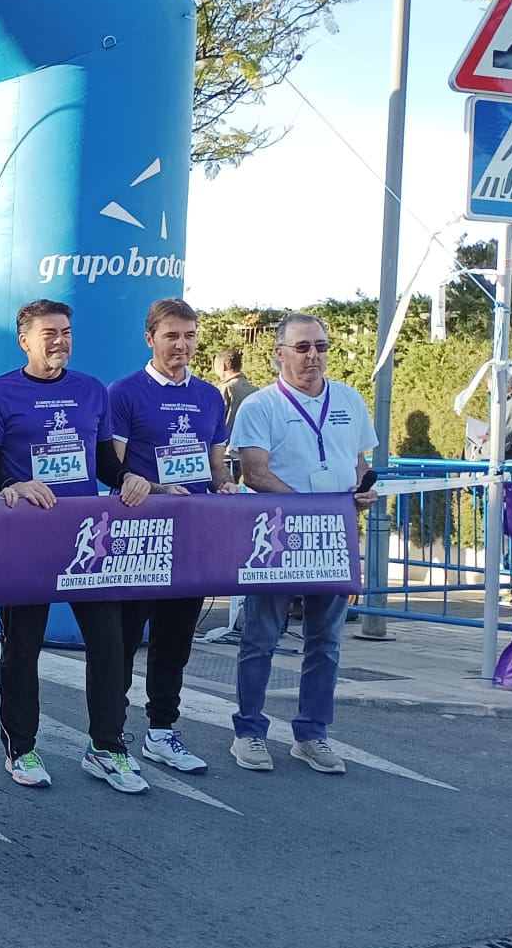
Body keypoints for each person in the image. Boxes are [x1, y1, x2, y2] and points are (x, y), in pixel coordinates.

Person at [0, 299, 148, 794]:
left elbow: (101, 463)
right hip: (26, 537)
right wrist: (13, 484)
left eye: (66, 332)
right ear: (25, 340)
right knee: (22, 647)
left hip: (84, 536)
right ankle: (21, 747)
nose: (59, 341)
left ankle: (107, 747)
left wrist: (129, 478)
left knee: (110, 644)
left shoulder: (92, 390)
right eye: (49, 333)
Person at [229, 312, 380, 774]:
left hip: (332, 539)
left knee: (326, 641)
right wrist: (306, 509)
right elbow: (253, 471)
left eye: (320, 346)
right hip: (277, 536)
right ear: (279, 353)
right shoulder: (260, 406)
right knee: (261, 636)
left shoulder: (350, 401)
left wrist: (360, 492)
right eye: (302, 347)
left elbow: (356, 461)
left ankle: (312, 734)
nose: (313, 355)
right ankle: (249, 733)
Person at [106, 299, 236, 778]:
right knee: (123, 640)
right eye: (171, 336)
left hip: (191, 535)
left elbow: (216, 464)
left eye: (189, 336)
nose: (181, 346)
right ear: (150, 338)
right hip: (140, 534)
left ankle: (162, 731)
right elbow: (114, 470)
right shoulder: (124, 392)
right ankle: (110, 736)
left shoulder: (208, 396)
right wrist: (156, 488)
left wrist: (224, 484)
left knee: (174, 641)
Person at [217, 348, 255, 438]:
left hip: (226, 448)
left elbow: (213, 422)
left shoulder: (224, 389)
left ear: (223, 366)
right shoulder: (256, 390)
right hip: (252, 447)